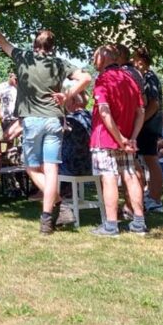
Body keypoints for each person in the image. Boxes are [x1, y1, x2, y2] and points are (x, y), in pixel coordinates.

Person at [0, 21, 92, 235]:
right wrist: (68, 95)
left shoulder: (23, 57)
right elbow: (87, 78)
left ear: (35, 44)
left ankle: (59, 203)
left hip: (32, 121)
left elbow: (3, 42)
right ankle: (47, 219)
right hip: (54, 120)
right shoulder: (60, 63)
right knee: (51, 167)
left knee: (31, 167)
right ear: (52, 47)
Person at [89, 45, 147, 236]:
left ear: (104, 58)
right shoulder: (130, 79)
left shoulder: (103, 79)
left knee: (109, 178)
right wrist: (131, 138)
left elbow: (104, 111)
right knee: (130, 175)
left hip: (104, 139)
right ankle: (139, 222)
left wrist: (120, 138)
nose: (93, 60)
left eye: (95, 56)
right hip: (127, 140)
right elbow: (141, 111)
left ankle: (111, 225)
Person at [132, 47, 163, 213]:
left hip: (149, 126)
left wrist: (141, 122)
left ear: (141, 60)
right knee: (147, 160)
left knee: (151, 160)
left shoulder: (149, 77)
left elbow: (154, 104)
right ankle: (149, 195)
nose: (132, 62)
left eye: (134, 59)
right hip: (148, 125)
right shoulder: (144, 76)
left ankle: (156, 199)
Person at [56, 90, 93, 227]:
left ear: (72, 102)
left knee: (48, 166)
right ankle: (67, 198)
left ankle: (61, 205)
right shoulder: (92, 116)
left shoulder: (70, 119)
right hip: (90, 165)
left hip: (72, 167)